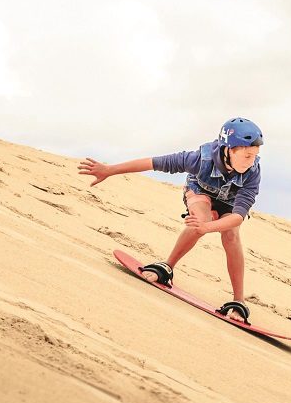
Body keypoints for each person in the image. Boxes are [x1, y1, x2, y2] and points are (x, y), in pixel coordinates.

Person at [78, 117, 264, 324]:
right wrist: (110, 170)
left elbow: (237, 217)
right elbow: (153, 163)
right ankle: (167, 267)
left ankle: (239, 300)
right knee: (199, 219)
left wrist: (209, 227)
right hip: (200, 193)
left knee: (230, 235)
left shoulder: (252, 173)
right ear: (228, 149)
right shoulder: (198, 159)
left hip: (230, 205)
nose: (251, 161)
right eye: (247, 155)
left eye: (254, 155)